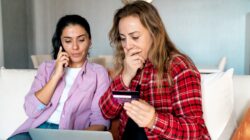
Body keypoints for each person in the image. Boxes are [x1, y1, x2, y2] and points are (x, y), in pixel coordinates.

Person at [99, 1, 210, 140]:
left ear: (154, 33)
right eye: (123, 39)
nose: (127, 46)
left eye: (135, 37)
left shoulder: (179, 67)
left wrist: (154, 120)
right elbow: (106, 112)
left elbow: (195, 131)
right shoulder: (128, 64)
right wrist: (125, 76)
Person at [8, 15, 110, 140]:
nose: (75, 47)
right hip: (35, 131)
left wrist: (81, 138)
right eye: (68, 41)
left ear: (90, 40)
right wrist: (56, 76)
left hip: (69, 135)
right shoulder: (46, 68)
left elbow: (99, 119)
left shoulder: (99, 73)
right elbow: (31, 110)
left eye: (81, 40)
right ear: (60, 42)